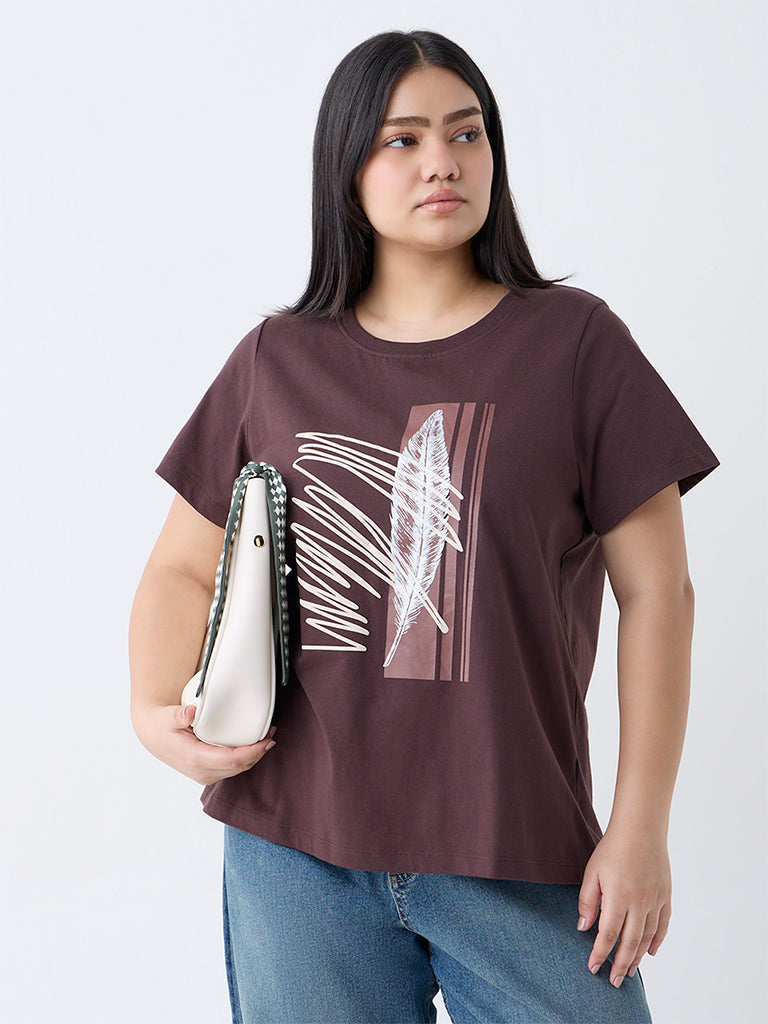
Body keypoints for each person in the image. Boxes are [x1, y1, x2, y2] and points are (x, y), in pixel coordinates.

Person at [128, 28, 720, 1024]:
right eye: (401, 139)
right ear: (346, 169)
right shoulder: (274, 360)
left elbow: (658, 593)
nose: (441, 160)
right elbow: (184, 567)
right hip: (296, 851)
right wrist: (154, 712)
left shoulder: (577, 345)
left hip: (518, 847)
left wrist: (641, 828)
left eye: (465, 132)